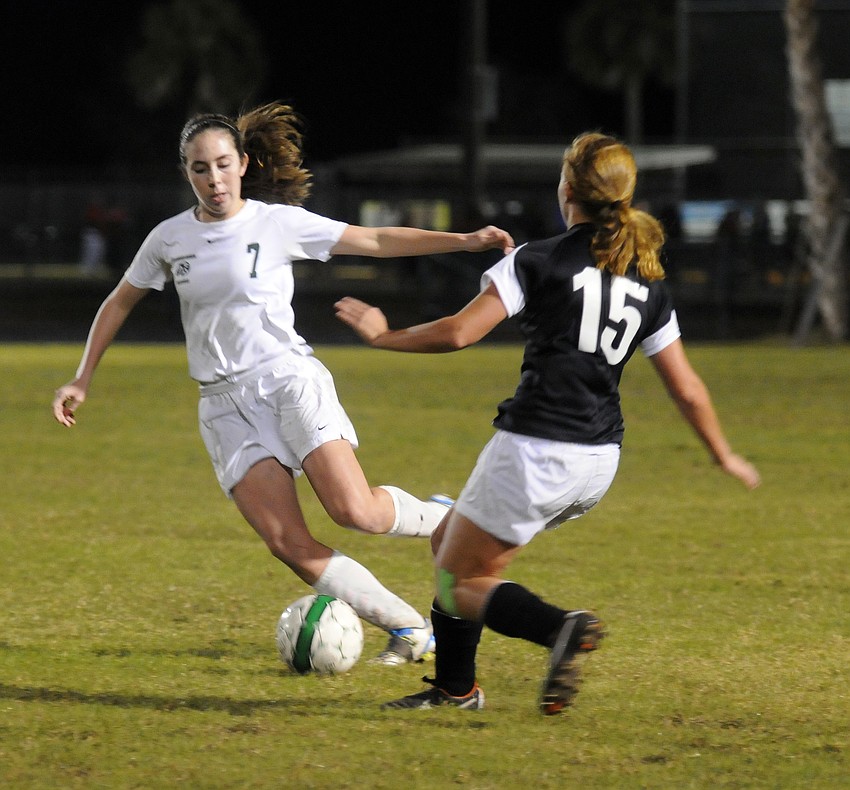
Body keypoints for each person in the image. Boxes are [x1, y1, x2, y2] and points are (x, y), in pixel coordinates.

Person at [51, 102, 515, 666]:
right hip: (222, 406)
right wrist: (81, 378)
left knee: (356, 513)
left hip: (287, 382)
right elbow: (118, 301)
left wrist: (465, 241)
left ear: (243, 163)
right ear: (187, 173)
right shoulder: (168, 239)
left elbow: (372, 240)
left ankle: (448, 519)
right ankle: (410, 628)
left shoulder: (275, 223)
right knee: (287, 544)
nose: (214, 179)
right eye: (200, 169)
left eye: (223, 164)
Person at [334, 132, 761, 712]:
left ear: (567, 190)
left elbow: (459, 332)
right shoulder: (647, 281)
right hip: (598, 462)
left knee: (458, 584)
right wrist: (722, 453)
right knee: (447, 542)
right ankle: (456, 688)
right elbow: (685, 388)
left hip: (537, 451)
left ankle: (556, 630)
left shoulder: (537, 259)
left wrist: (385, 336)